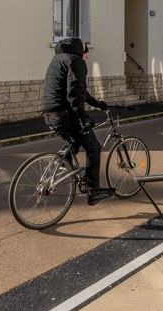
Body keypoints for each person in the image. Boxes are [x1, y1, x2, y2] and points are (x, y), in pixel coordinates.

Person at [41, 37, 115, 206]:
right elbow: (74, 93)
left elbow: (81, 90)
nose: (87, 56)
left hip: (50, 114)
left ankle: (66, 158)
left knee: (90, 122)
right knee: (94, 148)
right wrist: (81, 119)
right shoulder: (76, 61)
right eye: (86, 52)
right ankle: (93, 190)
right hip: (65, 114)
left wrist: (98, 104)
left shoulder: (58, 60)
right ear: (80, 51)